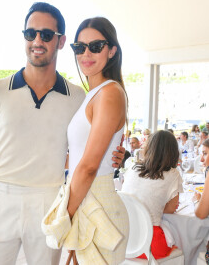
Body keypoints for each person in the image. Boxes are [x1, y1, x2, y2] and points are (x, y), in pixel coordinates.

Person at [0, 2, 125, 265]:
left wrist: (116, 155)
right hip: (2, 200)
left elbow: (88, 147)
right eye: (31, 34)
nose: (37, 40)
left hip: (51, 201)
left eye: (46, 34)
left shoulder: (79, 97)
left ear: (61, 41)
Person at [64, 16, 129, 263]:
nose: (86, 53)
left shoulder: (109, 93)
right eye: (79, 47)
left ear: (112, 50)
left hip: (97, 204)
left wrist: (65, 217)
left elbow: (89, 167)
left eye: (96, 46)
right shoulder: (92, 95)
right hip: (83, 199)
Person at [122, 130, 183, 259]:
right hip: (149, 244)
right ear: (173, 152)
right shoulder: (173, 174)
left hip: (123, 239)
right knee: (182, 240)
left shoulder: (133, 168)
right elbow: (170, 210)